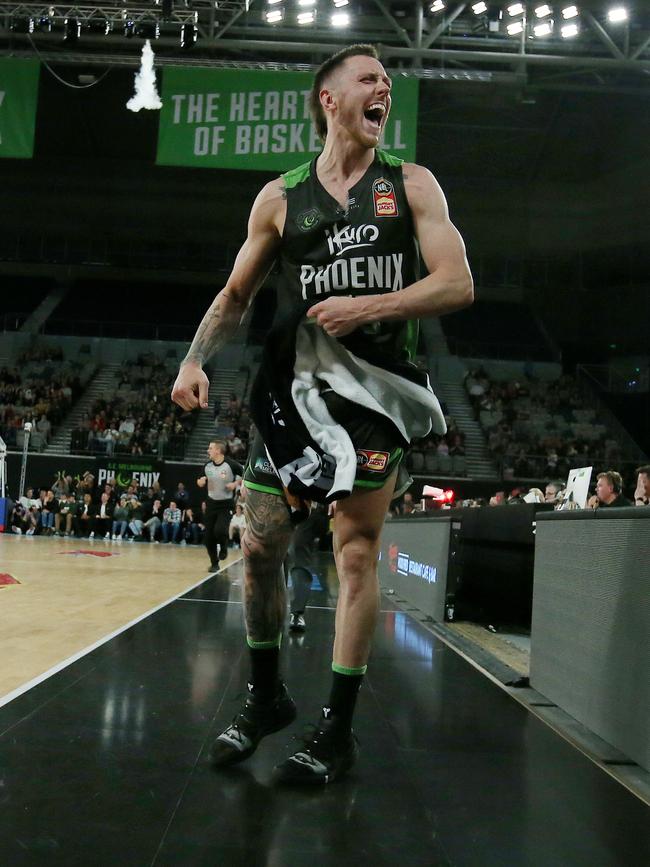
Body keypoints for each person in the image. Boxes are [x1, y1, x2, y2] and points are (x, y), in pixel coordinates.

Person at [171, 44, 472, 785]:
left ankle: (336, 729)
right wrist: (192, 359)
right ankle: (266, 695)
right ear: (329, 100)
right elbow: (237, 294)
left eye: (389, 84)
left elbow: (458, 281)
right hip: (294, 396)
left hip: (374, 393)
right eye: (370, 80)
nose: (385, 91)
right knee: (262, 547)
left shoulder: (411, 184)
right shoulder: (280, 197)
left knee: (356, 553)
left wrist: (373, 304)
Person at [197, 440, 242, 571]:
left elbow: (245, 475)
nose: (208, 450)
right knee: (208, 537)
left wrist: (235, 484)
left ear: (218, 450)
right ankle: (214, 563)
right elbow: (199, 481)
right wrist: (201, 481)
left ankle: (223, 546)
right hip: (211, 503)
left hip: (226, 504)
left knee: (220, 530)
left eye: (210, 448)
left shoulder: (231, 465)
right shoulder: (207, 466)